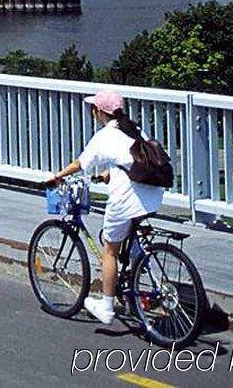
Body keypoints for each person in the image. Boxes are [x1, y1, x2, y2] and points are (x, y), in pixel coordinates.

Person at [44, 89, 165, 325]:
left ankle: (107, 306)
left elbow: (81, 163)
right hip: (152, 194)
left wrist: (57, 177)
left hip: (127, 198)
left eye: (94, 108)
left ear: (99, 111)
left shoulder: (105, 135)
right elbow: (132, 160)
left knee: (110, 250)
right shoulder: (134, 128)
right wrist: (107, 175)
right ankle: (136, 281)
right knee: (130, 237)